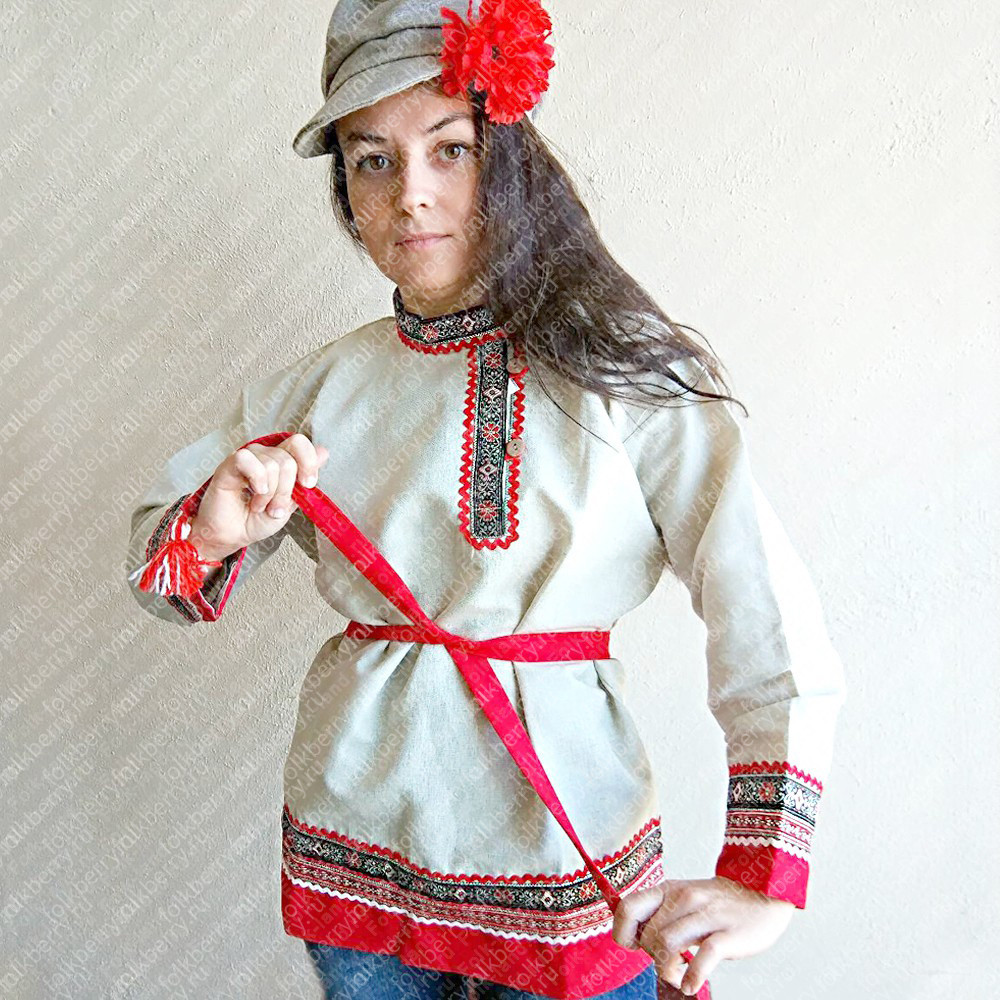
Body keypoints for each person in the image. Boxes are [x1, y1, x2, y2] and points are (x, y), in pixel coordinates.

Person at [125, 2, 848, 999]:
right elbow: (163, 581)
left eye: (450, 149)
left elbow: (763, 611)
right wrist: (212, 530)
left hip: (567, 859)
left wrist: (763, 874)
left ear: (509, 159)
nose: (410, 194)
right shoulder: (314, 390)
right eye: (371, 160)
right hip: (355, 853)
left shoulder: (630, 375)